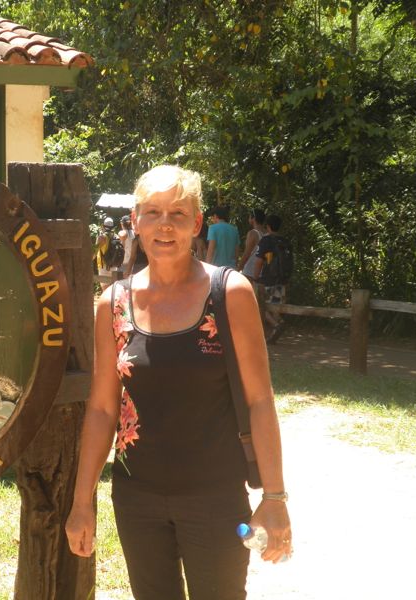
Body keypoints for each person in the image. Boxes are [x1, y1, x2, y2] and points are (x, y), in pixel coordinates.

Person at [66, 165, 291, 600]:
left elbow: (260, 401)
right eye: (152, 212)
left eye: (177, 213)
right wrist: (81, 502)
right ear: (136, 221)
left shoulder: (230, 293)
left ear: (196, 223)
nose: (164, 224)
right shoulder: (113, 303)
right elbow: (101, 409)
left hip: (215, 498)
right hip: (137, 500)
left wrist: (276, 497)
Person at [252, 214, 290, 344]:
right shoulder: (286, 241)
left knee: (258, 305)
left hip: (267, 279)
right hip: (282, 279)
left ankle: (276, 325)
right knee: (276, 306)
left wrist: (255, 277)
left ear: (267, 226)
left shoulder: (266, 240)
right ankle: (274, 333)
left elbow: (259, 261)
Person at [94, 216, 120, 291]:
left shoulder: (101, 237)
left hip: (103, 267)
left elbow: (95, 251)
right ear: (112, 226)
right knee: (113, 292)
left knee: (105, 292)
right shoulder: (116, 236)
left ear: (103, 226)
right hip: (114, 266)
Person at [239, 208, 266, 277]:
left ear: (253, 218)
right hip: (263, 270)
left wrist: (239, 268)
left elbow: (247, 254)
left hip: (250, 271)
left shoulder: (253, 233)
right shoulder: (267, 233)